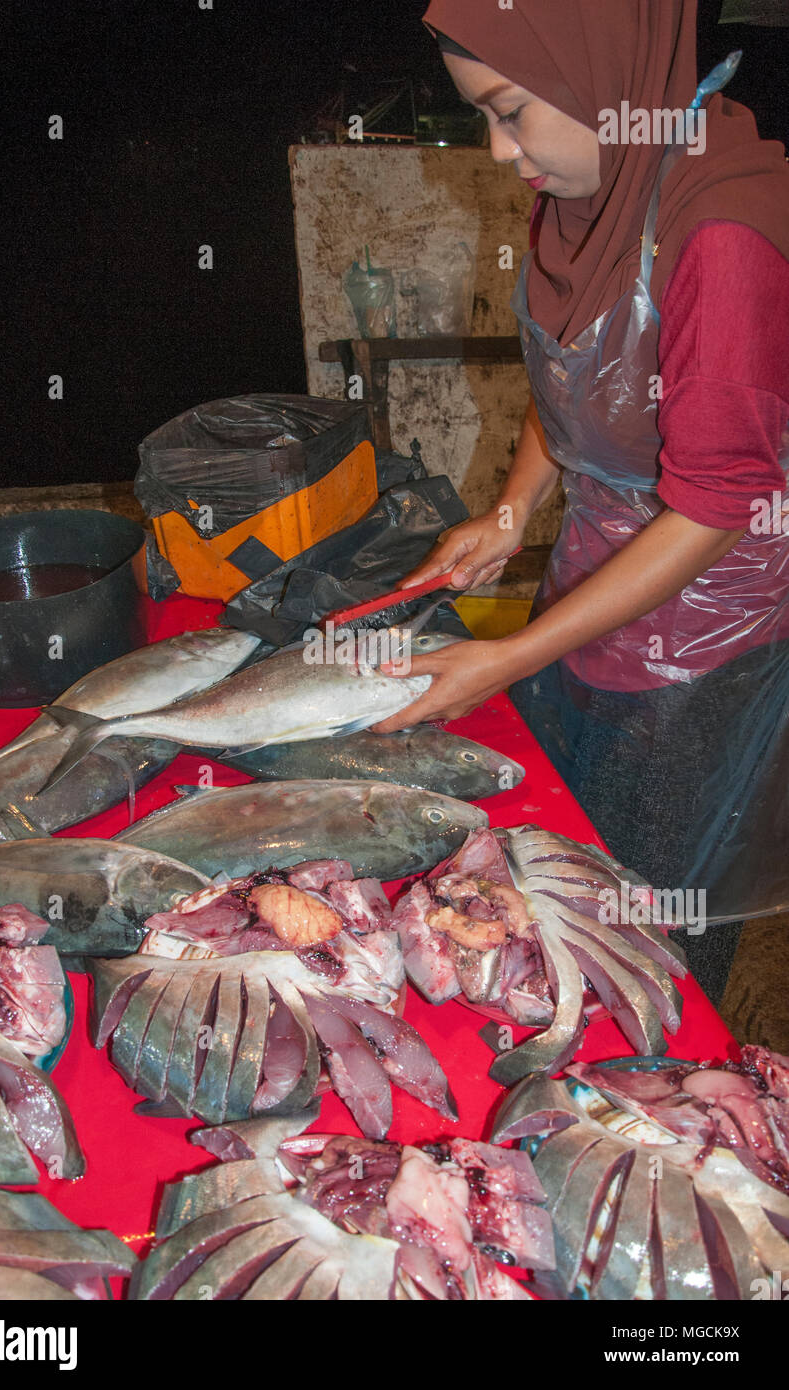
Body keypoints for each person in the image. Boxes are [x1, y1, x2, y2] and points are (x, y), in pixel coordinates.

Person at [372, 0, 789, 1006]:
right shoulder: (592, 185)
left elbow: (714, 501)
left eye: (511, 110)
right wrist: (510, 516)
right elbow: (569, 379)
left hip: (701, 654)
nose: (497, 147)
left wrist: (511, 653)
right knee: (555, 882)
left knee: (647, 939)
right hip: (588, 601)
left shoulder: (721, 228)